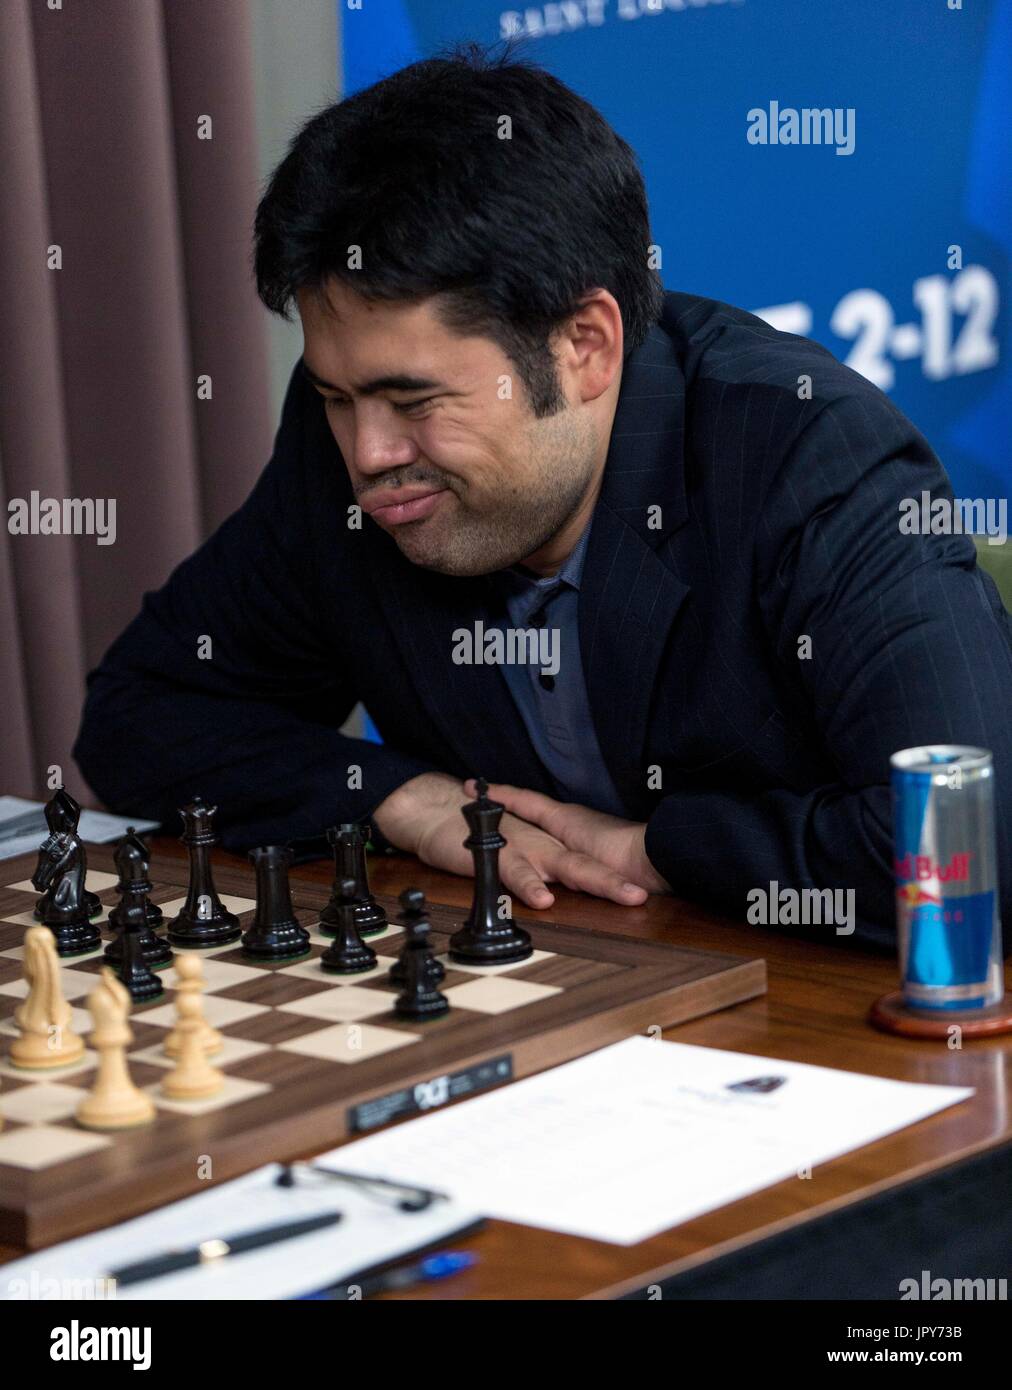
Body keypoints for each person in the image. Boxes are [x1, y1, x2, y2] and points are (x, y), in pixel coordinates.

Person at [74, 46, 1012, 950]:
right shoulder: (354, 447)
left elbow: (969, 848)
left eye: (415, 402)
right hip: (543, 996)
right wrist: (399, 797)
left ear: (585, 348)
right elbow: (138, 715)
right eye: (335, 398)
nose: (369, 455)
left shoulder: (804, 456)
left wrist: (658, 849)